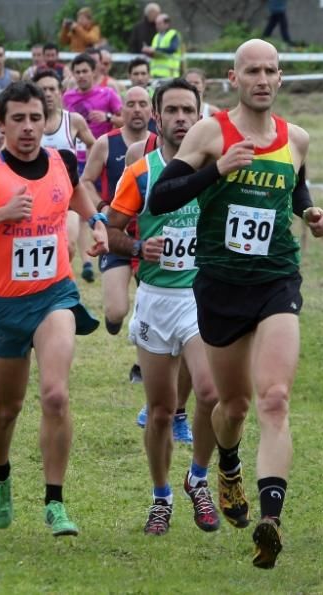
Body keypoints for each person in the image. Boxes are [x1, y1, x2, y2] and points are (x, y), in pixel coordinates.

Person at [148, 39, 323, 569]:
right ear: (234, 77)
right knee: (232, 408)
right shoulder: (210, 133)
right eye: (252, 70)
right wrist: (216, 170)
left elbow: (295, 188)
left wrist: (312, 213)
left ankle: (270, 520)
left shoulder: (295, 138)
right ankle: (225, 465)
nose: (262, 78)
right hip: (221, 286)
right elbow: (161, 198)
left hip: (277, 280)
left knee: (274, 398)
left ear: (280, 79)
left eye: (270, 70)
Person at [0, 80, 109, 538]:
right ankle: (0, 474)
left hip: (54, 296)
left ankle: (55, 502)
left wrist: (95, 222)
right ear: (1, 124)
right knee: (7, 407)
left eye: (35, 118)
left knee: (55, 394)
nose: (28, 128)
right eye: (18, 119)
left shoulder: (62, 160)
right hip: (1, 307)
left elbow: (72, 193)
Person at [107, 78, 220, 535]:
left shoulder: (214, 170)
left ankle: (198, 478)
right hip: (156, 300)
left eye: (186, 111)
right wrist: (137, 245)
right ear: (157, 117)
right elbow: (111, 229)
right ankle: (161, 497)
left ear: (199, 116)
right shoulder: (142, 172)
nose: (179, 118)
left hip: (200, 298)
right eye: (170, 110)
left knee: (211, 394)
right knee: (160, 410)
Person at [81, 86, 157, 352]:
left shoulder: (161, 143)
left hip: (151, 233)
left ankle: (142, 362)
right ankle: (114, 320)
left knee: (150, 307)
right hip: (117, 232)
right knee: (116, 311)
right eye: (131, 104)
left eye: (142, 104)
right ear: (121, 110)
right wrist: (103, 207)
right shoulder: (106, 143)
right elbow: (86, 181)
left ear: (152, 111)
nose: (137, 110)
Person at [34, 69, 97, 280]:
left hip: (67, 195)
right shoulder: (29, 124)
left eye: (52, 89)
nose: (48, 94)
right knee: (41, 246)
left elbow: (94, 147)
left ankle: (59, 282)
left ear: (61, 92)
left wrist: (86, 175)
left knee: (67, 244)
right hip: (36, 197)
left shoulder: (74, 121)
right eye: (43, 90)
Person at [64, 53, 124, 142]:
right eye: (78, 72)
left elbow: (126, 122)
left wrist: (108, 117)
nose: (81, 75)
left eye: (85, 71)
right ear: (73, 74)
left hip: (102, 148)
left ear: (93, 72)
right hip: (77, 150)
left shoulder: (108, 93)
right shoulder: (67, 97)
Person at [144, 14, 183, 81]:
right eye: (156, 24)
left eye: (159, 24)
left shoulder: (173, 34)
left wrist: (155, 49)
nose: (157, 26)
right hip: (155, 74)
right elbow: (155, 53)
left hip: (170, 74)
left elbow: (172, 49)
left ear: (167, 24)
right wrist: (148, 52)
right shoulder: (156, 36)